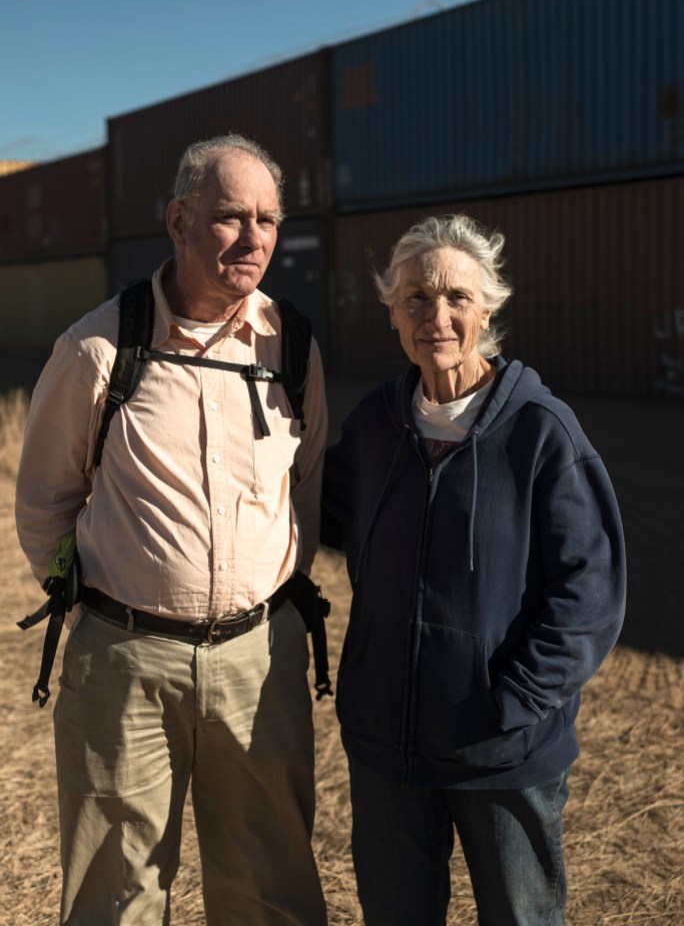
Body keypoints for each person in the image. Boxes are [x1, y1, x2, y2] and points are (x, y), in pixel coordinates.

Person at [15, 133, 329, 926]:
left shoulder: (291, 347)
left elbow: (308, 481)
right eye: (230, 217)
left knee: (270, 891)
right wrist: (92, 601)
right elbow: (45, 504)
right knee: (114, 900)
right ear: (179, 219)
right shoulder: (98, 348)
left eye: (268, 218)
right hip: (123, 661)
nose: (254, 237)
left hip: (260, 663)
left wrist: (277, 597)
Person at [322, 214, 626, 926]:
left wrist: (510, 704)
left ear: (487, 308)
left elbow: (590, 593)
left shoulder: (541, 431)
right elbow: (301, 511)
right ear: (391, 312)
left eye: (456, 297)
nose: (437, 316)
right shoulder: (374, 427)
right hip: (387, 751)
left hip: (502, 753)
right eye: (416, 299)